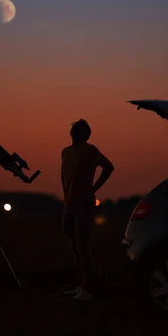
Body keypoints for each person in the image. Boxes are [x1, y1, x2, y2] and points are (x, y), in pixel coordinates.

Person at [61, 119, 114, 302]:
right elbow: (64, 175)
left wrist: (94, 188)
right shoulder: (66, 152)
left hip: (84, 204)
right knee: (74, 245)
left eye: (79, 127)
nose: (74, 128)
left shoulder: (90, 150)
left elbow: (108, 167)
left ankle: (88, 290)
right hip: (69, 205)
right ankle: (82, 285)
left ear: (85, 133)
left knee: (82, 245)